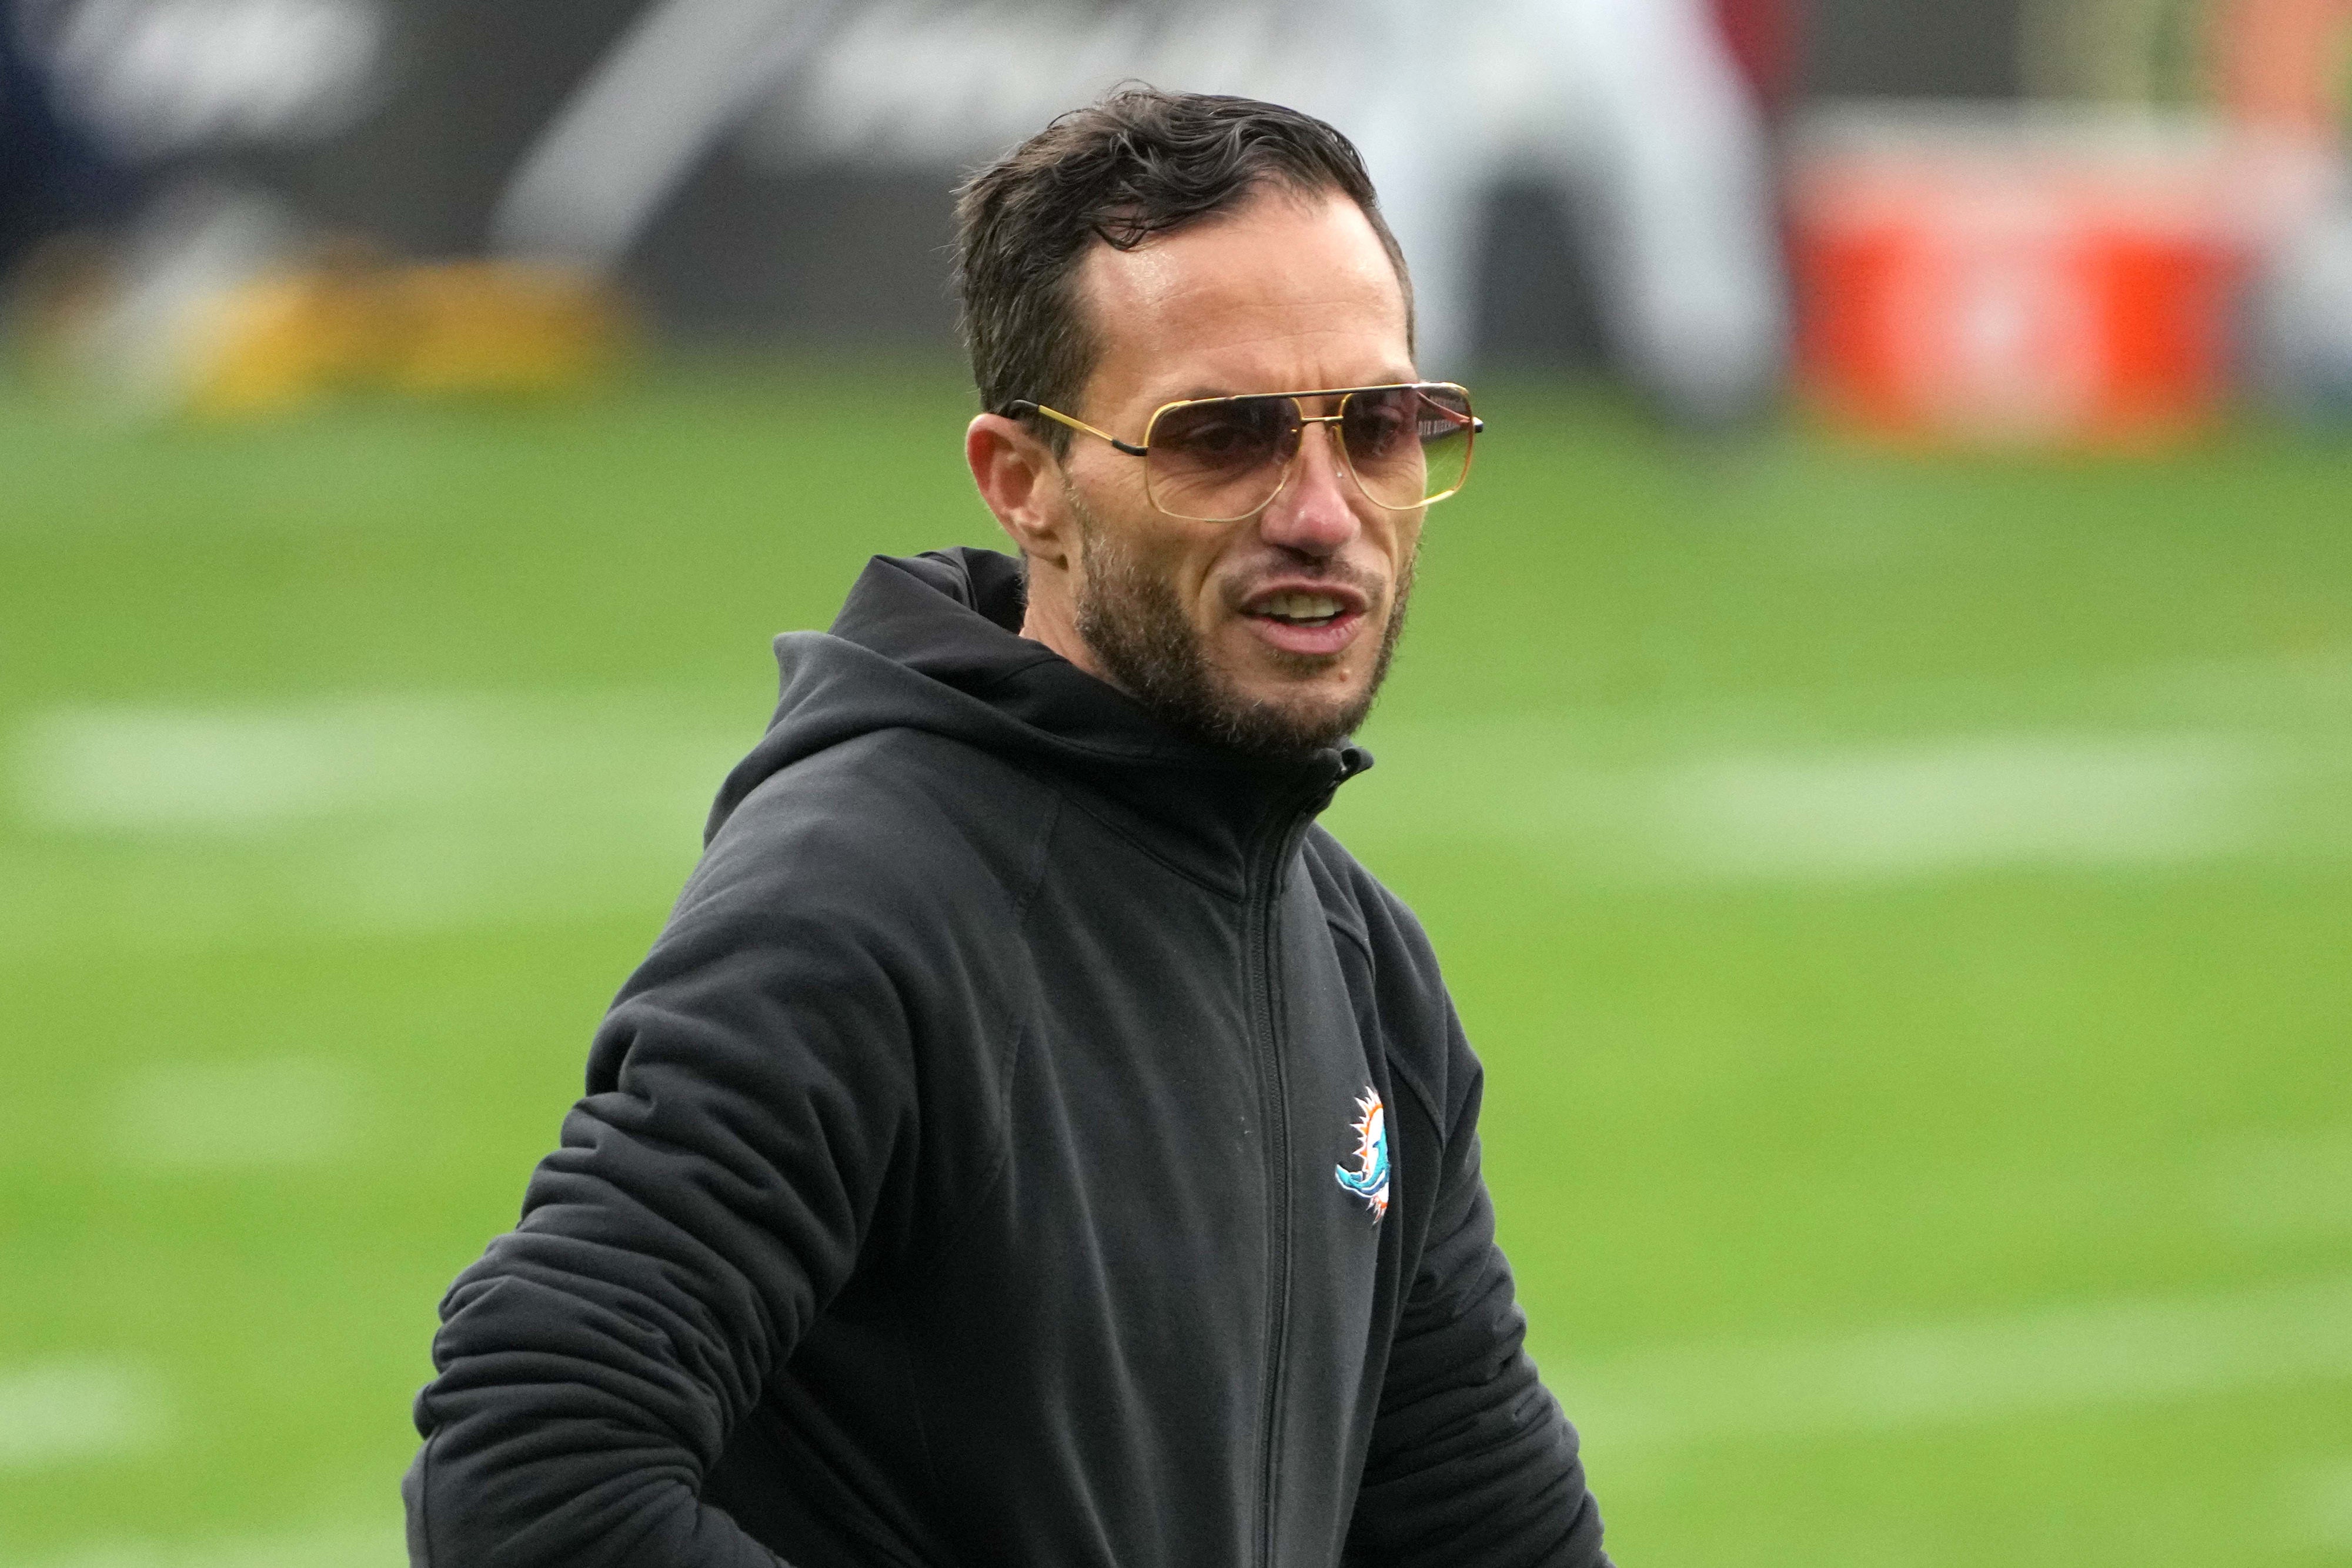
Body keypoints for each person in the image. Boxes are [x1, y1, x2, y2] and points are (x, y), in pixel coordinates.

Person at [405, 87, 1609, 1568]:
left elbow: (1481, 1528)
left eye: (1375, 426)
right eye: (1219, 436)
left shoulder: (1359, 958)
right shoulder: (858, 904)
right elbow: (527, 1474)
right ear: (1023, 483)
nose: (1320, 509)